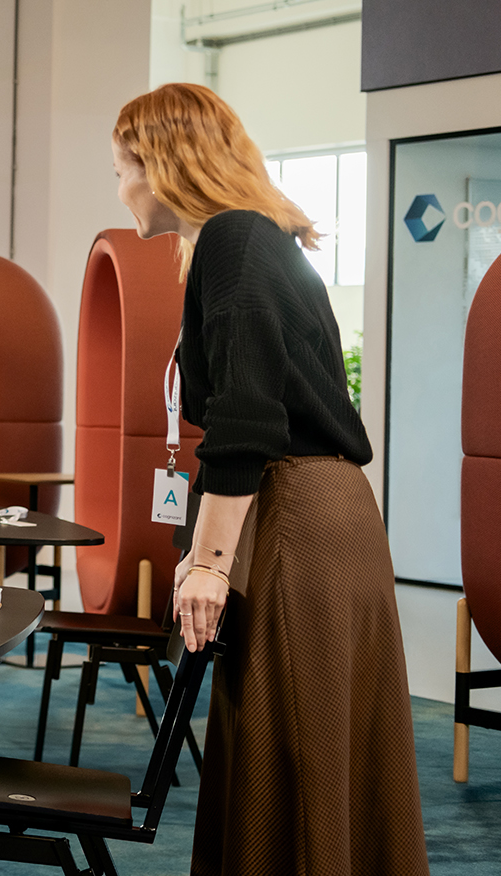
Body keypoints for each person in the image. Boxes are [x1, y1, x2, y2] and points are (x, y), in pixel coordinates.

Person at [111, 83, 429, 875]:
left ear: (161, 165)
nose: (118, 186)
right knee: (325, 752)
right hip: (327, 515)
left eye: (120, 165)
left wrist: (209, 562)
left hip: (293, 518)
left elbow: (247, 417)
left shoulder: (232, 242)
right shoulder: (261, 242)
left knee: (287, 749)